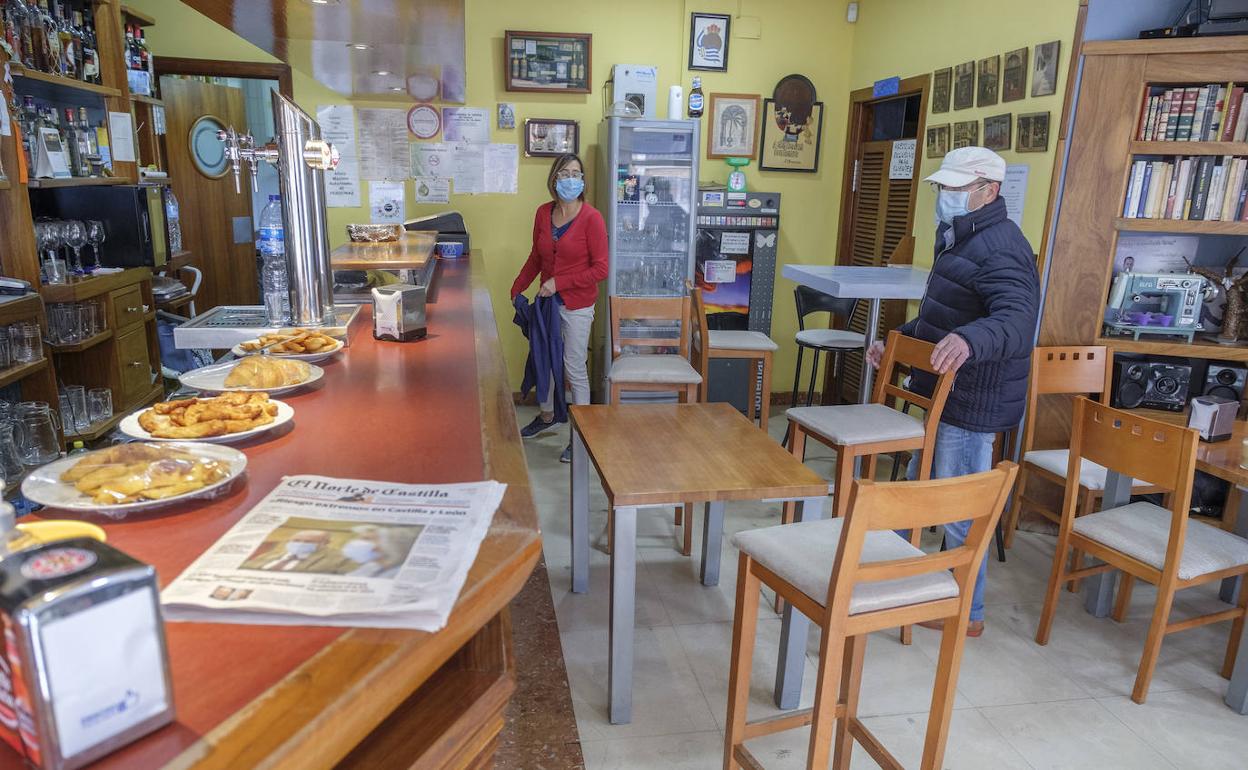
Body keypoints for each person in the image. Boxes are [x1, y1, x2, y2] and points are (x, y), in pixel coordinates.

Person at [867, 146, 1039, 637]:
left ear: (988, 191)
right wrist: (899, 345)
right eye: (943, 188)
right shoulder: (961, 239)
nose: (945, 197)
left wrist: (969, 340)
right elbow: (945, 315)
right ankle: (901, 581)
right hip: (947, 390)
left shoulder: (1001, 245)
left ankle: (968, 611)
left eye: (955, 189)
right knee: (929, 493)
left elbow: (1016, 321)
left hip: (974, 398)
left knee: (959, 508)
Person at [510, 153, 609, 463]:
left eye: (576, 173)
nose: (570, 179)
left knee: (573, 367)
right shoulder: (543, 213)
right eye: (564, 173)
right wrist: (518, 286)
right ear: (554, 179)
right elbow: (536, 258)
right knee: (544, 359)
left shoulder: (592, 218)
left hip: (577, 305)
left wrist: (559, 283)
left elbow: (601, 269)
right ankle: (549, 415)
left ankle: (581, 437)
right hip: (547, 304)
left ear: (583, 180)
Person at [250, 529, 350, 573]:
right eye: (296, 540)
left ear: (325, 543)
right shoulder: (267, 556)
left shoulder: (338, 559)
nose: (300, 544)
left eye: (308, 542)